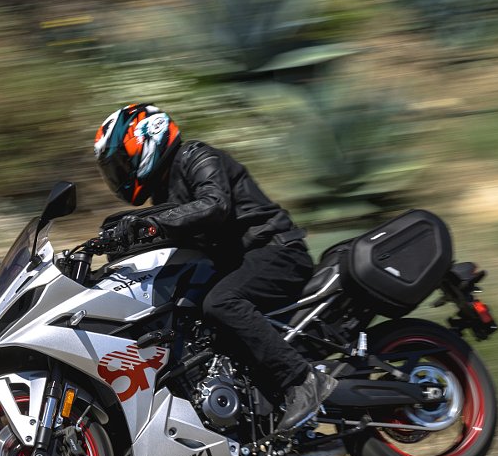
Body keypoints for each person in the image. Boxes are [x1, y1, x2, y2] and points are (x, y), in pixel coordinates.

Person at [93, 103, 336, 432]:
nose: (120, 175)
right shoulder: (164, 191)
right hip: (239, 262)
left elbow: (213, 205)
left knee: (220, 302)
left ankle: (304, 381)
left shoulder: (196, 157)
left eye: (122, 163)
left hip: (275, 250)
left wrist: (150, 224)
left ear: (146, 140)